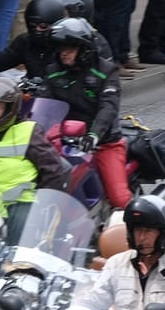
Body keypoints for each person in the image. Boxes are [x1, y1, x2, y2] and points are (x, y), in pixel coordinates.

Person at [40, 16, 129, 210]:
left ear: (84, 49)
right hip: (63, 144)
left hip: (104, 144)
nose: (64, 53)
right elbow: (42, 106)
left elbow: (109, 106)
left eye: (70, 49)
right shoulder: (53, 72)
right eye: (61, 48)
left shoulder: (106, 71)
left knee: (119, 199)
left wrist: (94, 135)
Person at [0, 74, 68, 222]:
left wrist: (45, 207)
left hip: (20, 207)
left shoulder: (28, 132)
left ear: (10, 108)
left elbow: (53, 170)